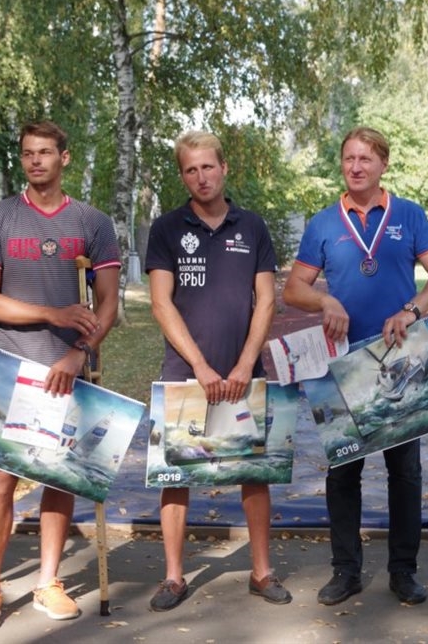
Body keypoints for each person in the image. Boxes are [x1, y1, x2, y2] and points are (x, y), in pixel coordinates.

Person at [282, 126, 428, 606]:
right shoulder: (323, 223)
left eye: (365, 159)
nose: (356, 167)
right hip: (342, 367)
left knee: (405, 472)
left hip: (400, 360)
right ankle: (346, 571)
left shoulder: (409, 215)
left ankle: (403, 571)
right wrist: (324, 301)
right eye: (349, 159)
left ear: (383, 164)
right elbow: (293, 289)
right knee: (343, 473)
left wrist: (411, 311)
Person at [0, 121, 121, 630]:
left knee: (60, 477)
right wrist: (53, 314)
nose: (36, 161)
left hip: (69, 368)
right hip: (12, 366)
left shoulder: (93, 222)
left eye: (46, 152)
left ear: (64, 158)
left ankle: (48, 581)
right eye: (28, 153)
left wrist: (81, 351)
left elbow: (108, 304)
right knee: (0, 478)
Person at [144, 130, 291, 611]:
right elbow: (161, 304)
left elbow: (266, 300)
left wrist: (246, 363)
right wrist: (200, 366)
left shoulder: (253, 227)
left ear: (224, 168)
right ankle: (173, 577)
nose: (201, 177)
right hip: (185, 371)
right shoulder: (167, 229)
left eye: (208, 166)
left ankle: (261, 572)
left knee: (254, 473)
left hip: (244, 371)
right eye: (191, 169)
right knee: (175, 475)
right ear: (182, 175)